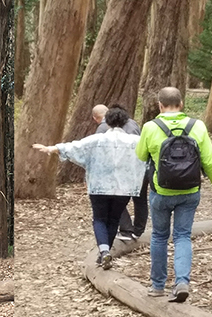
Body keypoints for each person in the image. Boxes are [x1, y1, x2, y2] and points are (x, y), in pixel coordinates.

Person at [135, 87, 212, 302]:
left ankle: (157, 286)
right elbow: (209, 161)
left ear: (160, 105)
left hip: (161, 191)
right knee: (183, 236)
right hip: (190, 191)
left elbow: (140, 155)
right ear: (181, 104)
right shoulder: (198, 126)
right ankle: (182, 281)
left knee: (159, 236)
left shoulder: (150, 126)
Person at [33, 107, 146, 270]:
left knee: (99, 219)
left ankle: (104, 251)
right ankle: (106, 253)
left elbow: (75, 147)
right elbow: (148, 154)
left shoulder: (97, 140)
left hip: (99, 187)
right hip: (123, 188)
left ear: (107, 122)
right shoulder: (135, 142)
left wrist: (51, 148)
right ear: (124, 122)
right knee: (114, 219)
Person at [94, 103, 148, 241]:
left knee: (115, 198)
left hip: (120, 169)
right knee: (140, 199)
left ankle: (126, 230)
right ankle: (138, 230)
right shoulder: (133, 124)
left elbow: (99, 148)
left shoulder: (104, 127)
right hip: (140, 166)